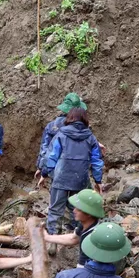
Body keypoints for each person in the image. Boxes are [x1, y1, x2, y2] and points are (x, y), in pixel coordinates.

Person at [41, 107, 104, 235]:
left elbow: (51, 156)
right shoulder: (91, 138)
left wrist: (45, 172)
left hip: (61, 177)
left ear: (69, 118)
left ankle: (53, 237)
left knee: (55, 209)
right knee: (78, 208)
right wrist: (98, 180)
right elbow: (96, 161)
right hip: (80, 179)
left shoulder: (61, 135)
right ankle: (75, 235)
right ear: (85, 119)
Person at [42, 189, 106, 268]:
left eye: (78, 209)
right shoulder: (87, 223)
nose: (74, 211)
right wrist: (47, 237)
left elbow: (82, 269)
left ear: (89, 213)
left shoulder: (91, 238)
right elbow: (73, 238)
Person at [35, 93, 86, 184]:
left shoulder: (52, 126)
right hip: (78, 173)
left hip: (57, 172)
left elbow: (45, 149)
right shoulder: (83, 128)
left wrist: (42, 168)